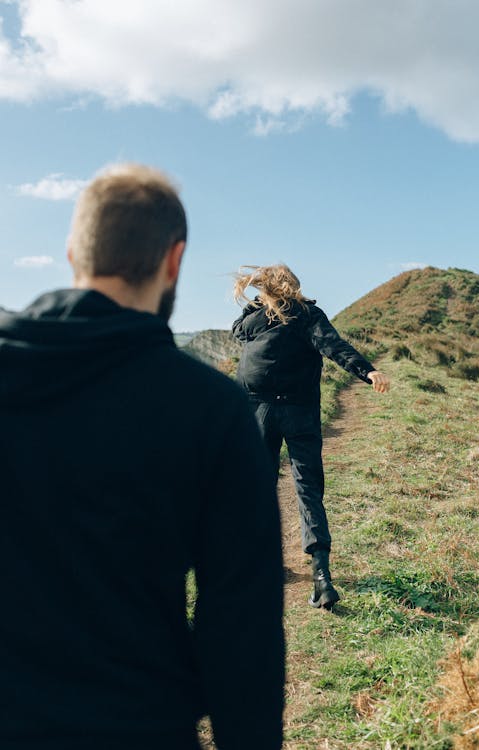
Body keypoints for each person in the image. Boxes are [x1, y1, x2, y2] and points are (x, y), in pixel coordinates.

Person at [0, 165, 284, 750]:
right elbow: (240, 629)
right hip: (136, 725)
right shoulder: (213, 411)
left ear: (73, 252)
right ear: (174, 260)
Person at [232, 265, 390, 611]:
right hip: (299, 412)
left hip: (258, 411)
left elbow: (237, 332)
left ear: (266, 289)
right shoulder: (307, 315)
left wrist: (256, 303)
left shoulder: (255, 321)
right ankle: (322, 578)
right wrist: (368, 371)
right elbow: (333, 345)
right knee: (308, 489)